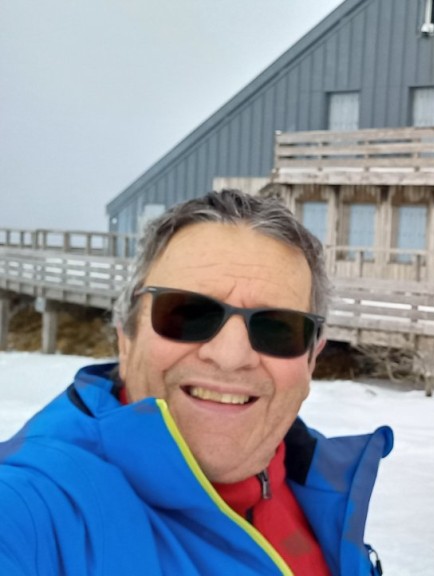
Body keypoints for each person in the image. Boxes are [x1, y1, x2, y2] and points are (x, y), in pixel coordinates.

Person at [0, 190, 392, 575]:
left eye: (277, 327)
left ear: (311, 359)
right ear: (126, 336)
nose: (230, 356)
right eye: (188, 313)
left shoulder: (316, 490)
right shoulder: (38, 508)